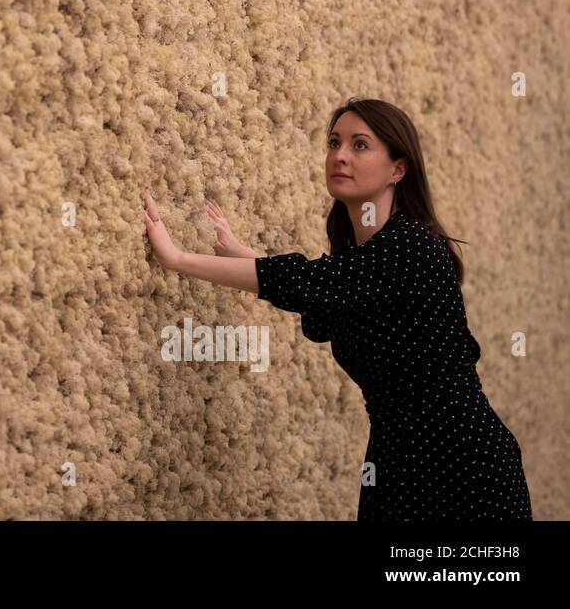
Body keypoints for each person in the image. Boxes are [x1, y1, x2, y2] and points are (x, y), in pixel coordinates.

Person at [143, 97, 533, 520]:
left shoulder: (412, 247)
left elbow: (310, 283)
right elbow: (321, 297)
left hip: (462, 466)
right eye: (334, 143)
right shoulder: (366, 265)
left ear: (398, 170)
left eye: (360, 145)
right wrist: (244, 255)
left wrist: (178, 259)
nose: (340, 156)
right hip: (397, 461)